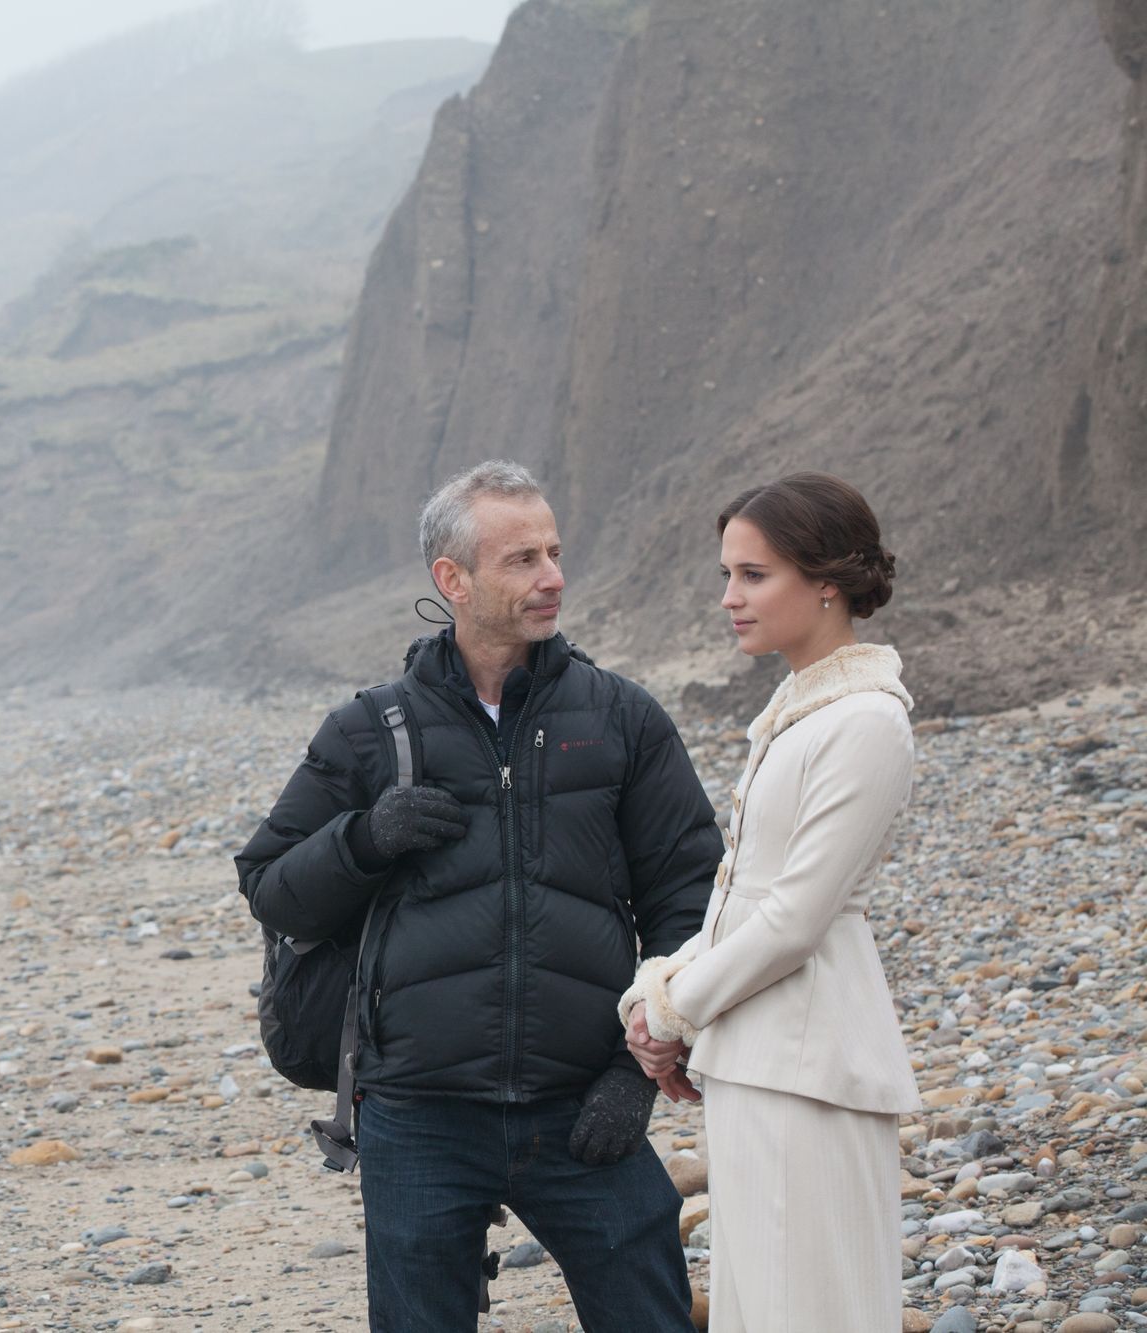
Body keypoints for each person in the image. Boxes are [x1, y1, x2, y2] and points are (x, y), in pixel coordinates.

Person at [235, 460, 722, 1332]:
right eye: (523, 559)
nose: (553, 577)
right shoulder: (367, 730)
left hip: (585, 1104)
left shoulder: (622, 718)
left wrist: (633, 1072)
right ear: (451, 580)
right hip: (418, 1114)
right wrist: (365, 839)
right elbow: (271, 889)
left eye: (555, 551)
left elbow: (688, 904)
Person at [621, 471, 922, 1332]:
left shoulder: (865, 720)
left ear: (826, 579)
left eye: (753, 575)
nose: (729, 598)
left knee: (810, 1309)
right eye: (728, 574)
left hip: (809, 1061)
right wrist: (663, 991)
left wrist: (674, 1009)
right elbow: (741, 893)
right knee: (763, 1307)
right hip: (762, 1052)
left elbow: (795, 918)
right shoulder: (801, 707)